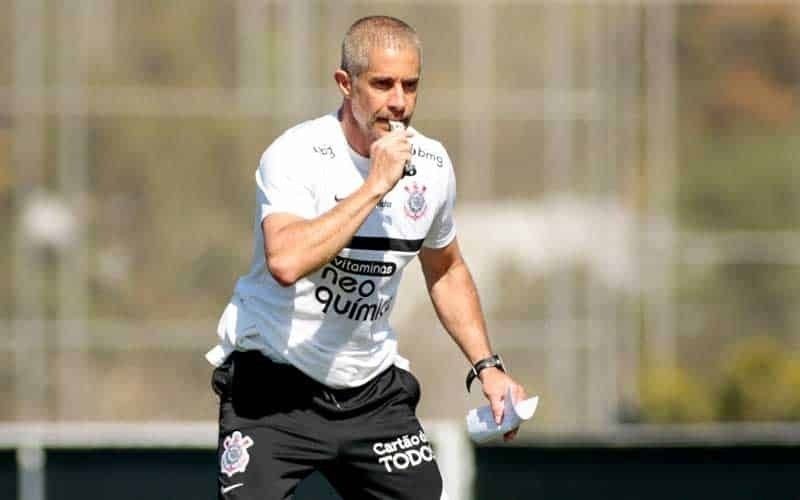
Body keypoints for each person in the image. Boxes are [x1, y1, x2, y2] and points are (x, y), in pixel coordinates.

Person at [206, 15, 527, 500]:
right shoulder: (296, 154)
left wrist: (488, 367)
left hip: (371, 391)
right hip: (273, 388)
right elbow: (285, 261)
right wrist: (375, 185)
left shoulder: (432, 166)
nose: (398, 102)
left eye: (410, 86)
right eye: (382, 84)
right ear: (345, 83)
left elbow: (446, 268)